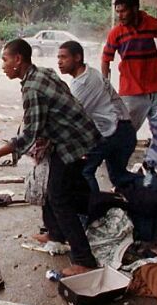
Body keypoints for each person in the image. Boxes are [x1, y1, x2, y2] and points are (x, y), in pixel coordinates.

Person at [0, 39, 101, 276]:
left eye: (5, 60)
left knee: (59, 197)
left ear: (18, 60)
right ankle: (56, 234)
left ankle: (84, 260)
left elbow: (28, 136)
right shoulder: (42, 73)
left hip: (72, 143)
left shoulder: (32, 88)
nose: (2, 65)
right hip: (70, 137)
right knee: (54, 190)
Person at [57, 40, 137, 193]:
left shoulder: (84, 82)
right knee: (119, 177)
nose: (59, 62)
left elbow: (72, 118)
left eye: (64, 57)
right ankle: (152, 188)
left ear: (77, 57)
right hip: (122, 129)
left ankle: (92, 210)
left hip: (114, 131)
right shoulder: (89, 73)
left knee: (85, 171)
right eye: (58, 58)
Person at [101, 0, 157, 131]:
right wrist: (105, 86)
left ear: (134, 9)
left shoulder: (151, 23)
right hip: (131, 93)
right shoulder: (116, 33)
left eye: (123, 11)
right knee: (126, 133)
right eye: (118, 12)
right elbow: (105, 60)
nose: (120, 16)